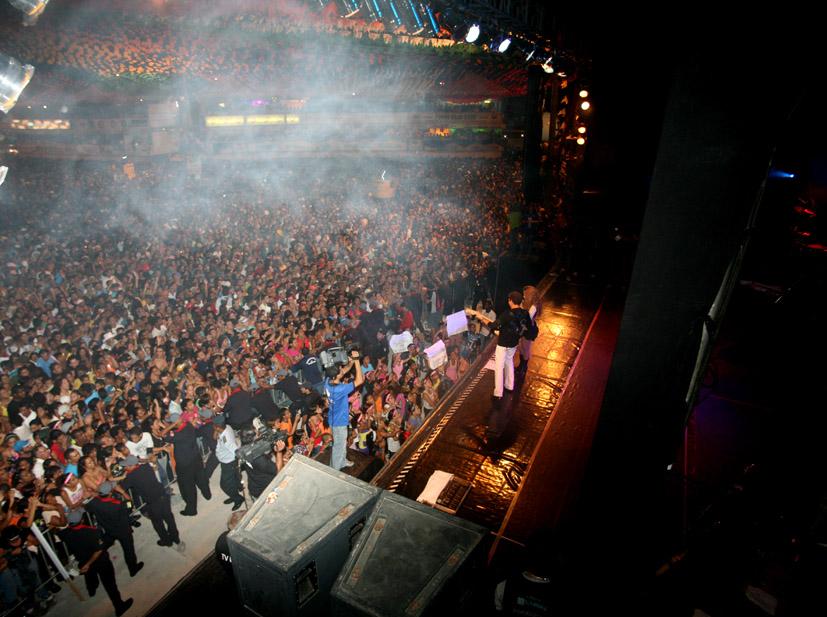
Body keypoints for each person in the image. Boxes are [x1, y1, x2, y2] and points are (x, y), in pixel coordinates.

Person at [60, 510, 134, 616]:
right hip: (100, 562)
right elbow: (98, 551)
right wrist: (88, 564)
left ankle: (91, 590)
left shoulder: (65, 534)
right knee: (110, 584)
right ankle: (119, 607)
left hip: (83, 560)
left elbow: (58, 531)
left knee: (90, 576)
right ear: (82, 520)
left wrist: (86, 564)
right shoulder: (92, 532)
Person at [467, 290, 531, 402]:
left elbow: (493, 325)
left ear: (511, 301)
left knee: (499, 367)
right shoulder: (525, 313)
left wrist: (480, 317)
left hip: (503, 344)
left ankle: (498, 393)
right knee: (509, 361)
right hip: (514, 343)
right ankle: (509, 385)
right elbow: (526, 327)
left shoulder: (507, 314)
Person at [116, 455, 182, 550]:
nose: (124, 467)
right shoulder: (146, 466)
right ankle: (176, 538)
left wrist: (122, 478)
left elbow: (121, 487)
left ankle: (166, 541)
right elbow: (148, 462)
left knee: (157, 522)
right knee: (169, 518)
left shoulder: (131, 477)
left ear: (131, 465)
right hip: (163, 495)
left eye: (126, 466)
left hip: (152, 502)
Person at [84, 480, 144, 577]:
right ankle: (133, 569)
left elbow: (87, 506)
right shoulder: (117, 505)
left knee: (103, 547)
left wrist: (92, 495)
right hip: (123, 531)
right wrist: (122, 492)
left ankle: (91, 561)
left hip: (109, 530)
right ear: (110, 493)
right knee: (129, 550)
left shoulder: (94, 503)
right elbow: (130, 504)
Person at [323, 350, 363, 471]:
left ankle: (342, 461)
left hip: (335, 417)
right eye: (340, 370)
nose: (342, 369)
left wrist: (351, 362)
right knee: (338, 447)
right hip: (339, 421)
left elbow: (344, 371)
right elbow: (359, 380)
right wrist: (356, 360)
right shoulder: (340, 389)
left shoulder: (328, 381)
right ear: (337, 376)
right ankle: (334, 470)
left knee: (341, 443)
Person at [213, 414, 244, 510]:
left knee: (225, 485)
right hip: (226, 461)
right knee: (233, 480)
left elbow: (236, 451)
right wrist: (216, 430)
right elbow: (215, 437)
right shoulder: (227, 427)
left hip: (228, 462)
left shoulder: (226, 441)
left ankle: (238, 499)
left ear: (217, 427)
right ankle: (235, 493)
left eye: (214, 426)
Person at [517, 285, 542, 374]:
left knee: (525, 348)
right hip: (523, 327)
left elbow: (527, 317)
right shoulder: (526, 303)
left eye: (525, 294)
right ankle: (521, 365)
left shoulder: (534, 306)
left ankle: (524, 367)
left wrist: (521, 309)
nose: (523, 296)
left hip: (528, 329)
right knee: (521, 347)